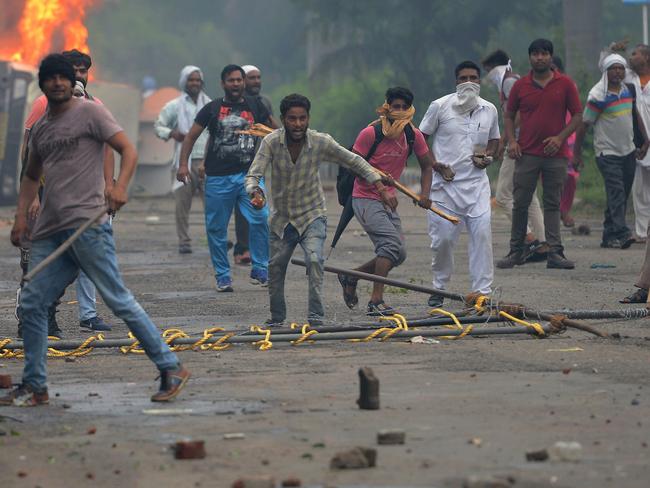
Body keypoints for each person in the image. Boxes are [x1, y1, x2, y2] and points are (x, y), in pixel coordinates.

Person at [2, 54, 189, 407]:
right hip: (51, 230)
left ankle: (171, 366)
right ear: (41, 85)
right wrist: (21, 219)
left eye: (63, 77)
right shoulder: (42, 127)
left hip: (88, 225)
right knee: (32, 303)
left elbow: (127, 150)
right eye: (51, 78)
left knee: (118, 300)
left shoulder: (91, 112)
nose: (58, 83)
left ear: (71, 82)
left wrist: (119, 188)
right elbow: (30, 175)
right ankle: (35, 384)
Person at [245, 93, 392, 326]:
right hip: (282, 219)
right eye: (292, 119)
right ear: (283, 119)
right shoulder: (271, 142)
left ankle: (315, 318)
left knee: (314, 261)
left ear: (308, 118)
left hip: (312, 215)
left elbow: (353, 160)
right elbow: (255, 174)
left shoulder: (321, 142)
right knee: (275, 268)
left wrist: (378, 183)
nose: (298, 124)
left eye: (302, 118)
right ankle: (276, 318)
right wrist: (256, 193)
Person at [17, 48, 113, 337]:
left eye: (84, 70)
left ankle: (49, 312)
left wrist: (110, 185)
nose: (79, 75)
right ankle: (31, 321)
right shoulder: (42, 105)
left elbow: (108, 148)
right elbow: (28, 153)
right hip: (45, 195)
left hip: (80, 200)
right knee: (33, 261)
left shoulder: (95, 106)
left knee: (73, 260)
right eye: (75, 69)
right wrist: (32, 196)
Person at [345, 86, 453, 316]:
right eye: (396, 107)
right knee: (390, 246)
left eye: (405, 107)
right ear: (387, 107)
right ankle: (376, 301)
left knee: (399, 253)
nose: (400, 111)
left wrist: (425, 195)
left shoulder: (412, 135)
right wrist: (380, 186)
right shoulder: (370, 133)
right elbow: (354, 166)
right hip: (366, 197)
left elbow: (427, 166)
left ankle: (352, 275)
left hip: (388, 200)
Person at [178, 64, 274, 292]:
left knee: (261, 218)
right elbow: (191, 137)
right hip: (218, 178)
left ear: (244, 82)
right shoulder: (212, 109)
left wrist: (288, 148)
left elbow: (275, 130)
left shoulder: (256, 106)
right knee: (216, 228)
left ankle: (260, 267)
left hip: (250, 177)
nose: (236, 84)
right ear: (223, 84)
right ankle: (222, 275)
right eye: (231, 80)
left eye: (239, 80)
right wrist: (183, 164)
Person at [419, 61, 500, 308]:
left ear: (479, 81)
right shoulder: (440, 106)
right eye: (463, 78)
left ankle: (481, 292)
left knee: (482, 235)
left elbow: (495, 140)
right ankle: (439, 288)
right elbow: (420, 139)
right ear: (456, 82)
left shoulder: (490, 110)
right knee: (442, 240)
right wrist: (434, 165)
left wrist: (488, 156)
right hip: (445, 187)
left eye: (473, 78)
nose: (469, 82)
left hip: (476, 187)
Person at [496, 39, 582, 270]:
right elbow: (508, 115)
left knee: (552, 203)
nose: (540, 57)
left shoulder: (565, 84)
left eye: (544, 53)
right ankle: (516, 251)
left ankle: (555, 252)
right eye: (535, 54)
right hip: (526, 153)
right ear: (530, 57)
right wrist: (512, 141)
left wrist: (560, 138)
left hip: (556, 154)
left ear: (551, 57)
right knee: (520, 203)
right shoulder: (520, 85)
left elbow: (577, 116)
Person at [574, 54, 648, 249]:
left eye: (621, 68)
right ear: (606, 72)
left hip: (628, 151)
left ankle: (608, 234)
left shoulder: (627, 90)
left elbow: (635, 115)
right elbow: (584, 125)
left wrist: (645, 140)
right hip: (607, 154)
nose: (618, 72)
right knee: (616, 192)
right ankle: (623, 233)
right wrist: (576, 153)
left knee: (620, 195)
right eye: (613, 68)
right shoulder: (598, 96)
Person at [482, 49, 546, 260]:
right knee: (530, 197)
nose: (488, 76)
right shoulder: (513, 79)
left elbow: (517, 113)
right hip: (529, 141)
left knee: (502, 195)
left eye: (488, 71)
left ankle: (529, 238)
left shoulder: (509, 82)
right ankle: (543, 242)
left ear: (494, 68)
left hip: (518, 143)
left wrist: (506, 141)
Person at [154, 65, 211, 254]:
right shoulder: (174, 106)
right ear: (184, 82)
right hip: (183, 161)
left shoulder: (209, 104)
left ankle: (214, 240)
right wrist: (172, 133)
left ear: (201, 83)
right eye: (191, 80)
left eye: (197, 80)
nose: (194, 83)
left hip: (206, 161)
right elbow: (158, 125)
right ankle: (184, 241)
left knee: (212, 205)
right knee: (182, 206)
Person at [550, 56, 580, 229]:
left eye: (554, 68)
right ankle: (555, 211)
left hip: (568, 136)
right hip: (547, 136)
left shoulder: (569, 85)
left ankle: (565, 210)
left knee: (570, 176)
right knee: (552, 177)